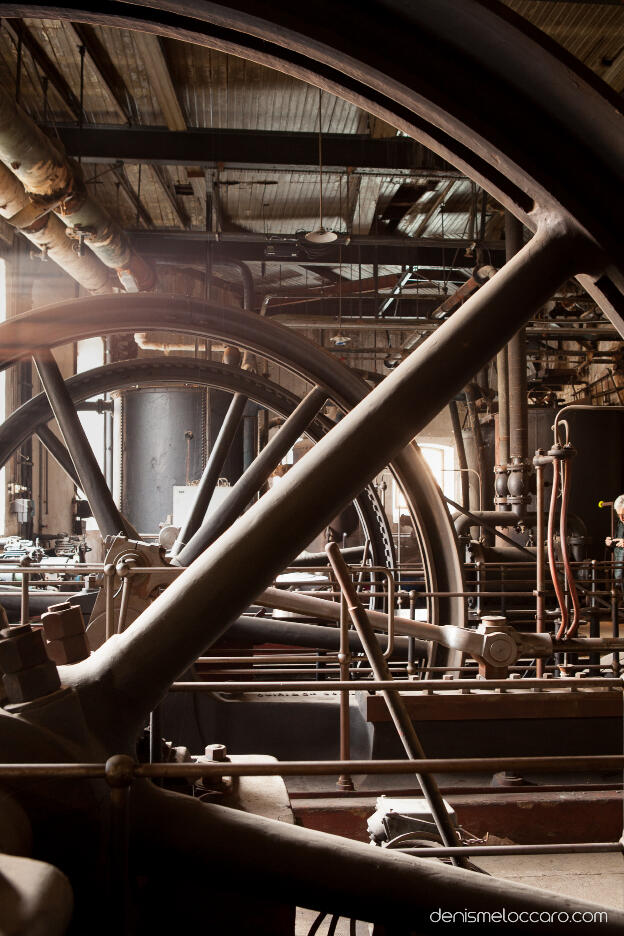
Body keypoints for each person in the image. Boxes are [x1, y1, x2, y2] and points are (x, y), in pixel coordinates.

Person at [605, 494, 624, 590]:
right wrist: (610, 543)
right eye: (619, 515)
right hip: (620, 571)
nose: (621, 518)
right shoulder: (620, 524)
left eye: (623, 515)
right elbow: (618, 542)